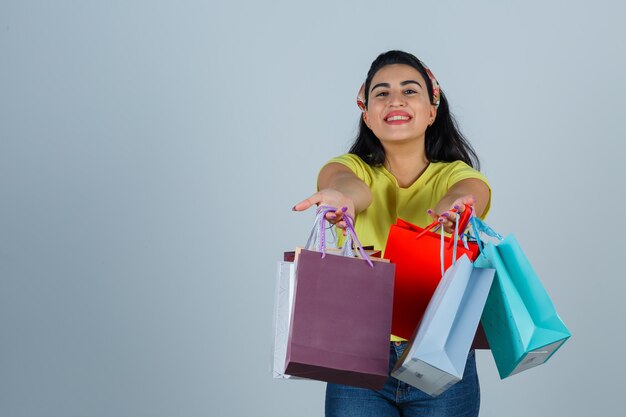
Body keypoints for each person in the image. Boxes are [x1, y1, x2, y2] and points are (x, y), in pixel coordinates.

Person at [293, 50, 492, 417]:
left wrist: (457, 207)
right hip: (358, 352)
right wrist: (343, 199)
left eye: (409, 90)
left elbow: (468, 192)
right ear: (367, 115)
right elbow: (349, 186)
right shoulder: (351, 169)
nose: (395, 100)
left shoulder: (454, 175)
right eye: (381, 93)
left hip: (441, 351)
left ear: (432, 110)